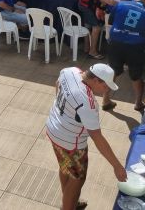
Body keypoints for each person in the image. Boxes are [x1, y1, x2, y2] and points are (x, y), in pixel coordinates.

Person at [47, 64, 127, 210]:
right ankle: (69, 205)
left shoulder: (70, 71)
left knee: (66, 168)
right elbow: (97, 137)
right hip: (71, 143)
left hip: (54, 129)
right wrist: (117, 166)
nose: (107, 90)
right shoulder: (87, 103)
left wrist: (63, 110)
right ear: (96, 80)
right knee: (78, 178)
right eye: (106, 86)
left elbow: (58, 83)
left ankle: (70, 201)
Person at [103, 0, 145, 111]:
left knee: (113, 72)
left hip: (115, 43)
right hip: (135, 47)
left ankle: (106, 100)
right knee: (136, 76)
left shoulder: (120, 4)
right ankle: (138, 103)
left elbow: (111, 21)